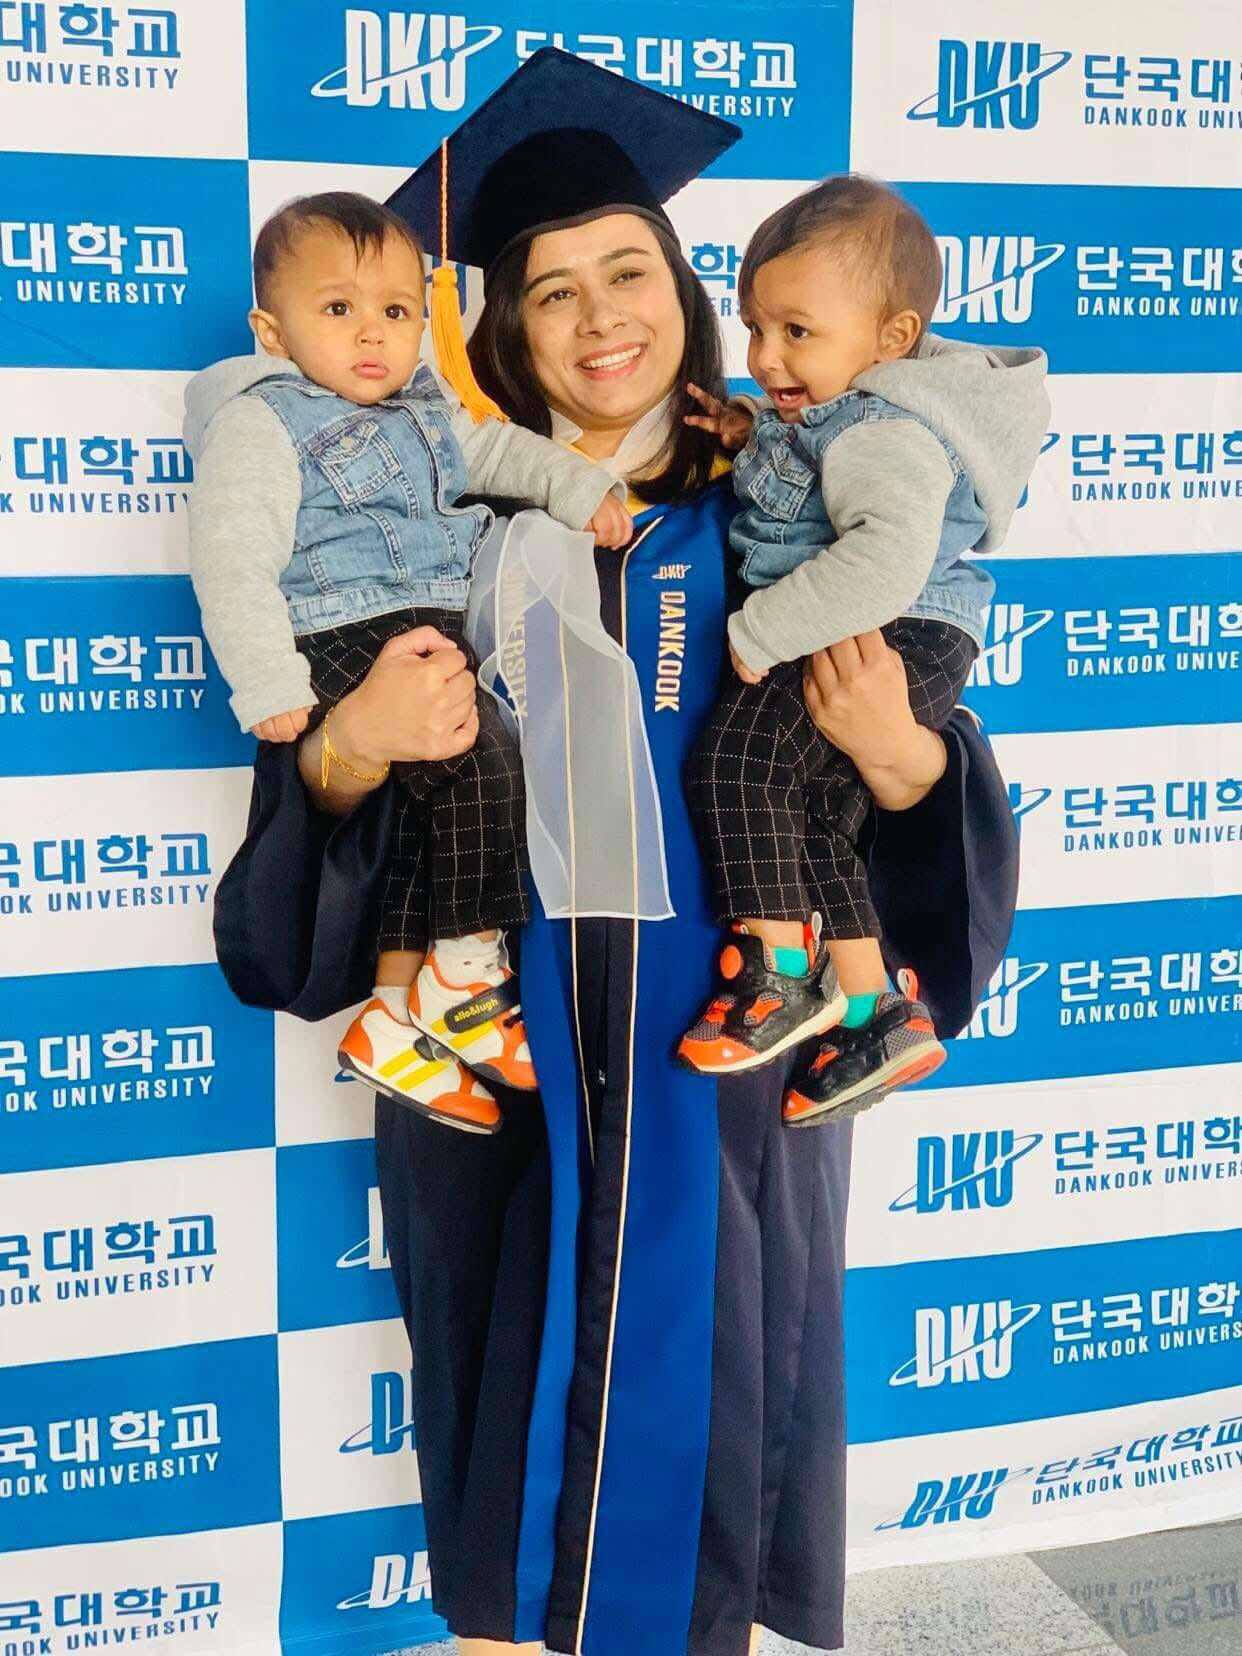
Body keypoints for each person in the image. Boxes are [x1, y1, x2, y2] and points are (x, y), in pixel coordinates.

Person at [214, 49, 1018, 1656]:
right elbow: (291, 892)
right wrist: (351, 743)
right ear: (498, 329)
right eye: (549, 289)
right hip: (499, 1085)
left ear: (688, 293)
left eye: (628, 272)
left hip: (731, 1078)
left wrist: (896, 751)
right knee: (503, 1495)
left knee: (713, 1463)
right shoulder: (417, 531)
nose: (598, 319)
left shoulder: (792, 505)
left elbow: (925, 818)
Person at [185, 190, 630, 1131]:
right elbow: (231, 557)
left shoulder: (425, 406)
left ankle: (394, 1014)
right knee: (480, 755)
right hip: (343, 627)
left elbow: (500, 453)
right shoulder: (264, 421)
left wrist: (579, 484)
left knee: (431, 817)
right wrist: (267, 679)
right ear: (271, 331)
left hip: (425, 624)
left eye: (395, 310)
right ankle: (466, 978)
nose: (371, 333)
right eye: (337, 308)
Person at [678, 176, 1048, 1126]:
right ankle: (872, 1008)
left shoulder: (886, 427)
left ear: (893, 338)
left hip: (888, 628)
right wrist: (753, 433)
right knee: (812, 812)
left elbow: (882, 555)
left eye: (797, 331)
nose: (765, 356)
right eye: (755, 328)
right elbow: (816, 471)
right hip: (901, 629)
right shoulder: (844, 414)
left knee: (738, 760)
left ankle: (776, 976)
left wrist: (759, 631)